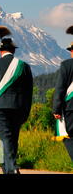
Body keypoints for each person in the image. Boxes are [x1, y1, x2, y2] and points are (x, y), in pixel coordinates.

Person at [0, 34, 33, 174]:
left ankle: (12, 168)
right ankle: (7, 169)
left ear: (0, 50)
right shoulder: (24, 66)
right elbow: (29, 92)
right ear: (14, 50)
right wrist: (26, 111)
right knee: (12, 138)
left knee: (5, 137)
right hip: (18, 107)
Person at [52, 30, 73, 161]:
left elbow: (60, 88)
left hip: (70, 108)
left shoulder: (66, 65)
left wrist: (56, 109)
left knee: (68, 136)